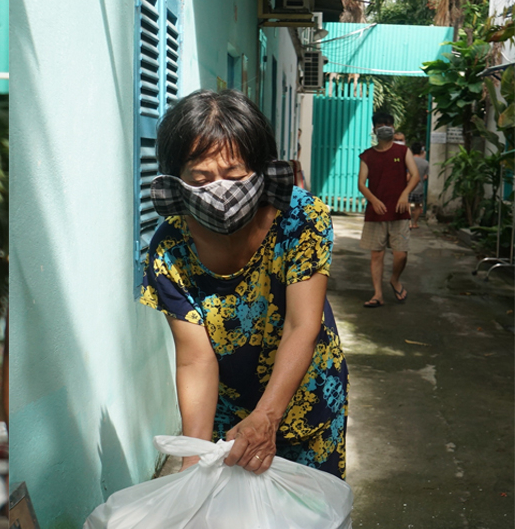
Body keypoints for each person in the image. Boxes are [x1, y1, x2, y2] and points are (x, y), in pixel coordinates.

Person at [141, 89, 350, 480]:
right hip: (229, 418)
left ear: (263, 170)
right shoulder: (169, 249)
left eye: (234, 175)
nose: (219, 191)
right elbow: (195, 359)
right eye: (201, 179)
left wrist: (267, 417)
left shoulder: (300, 218)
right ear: (175, 181)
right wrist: (194, 460)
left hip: (309, 400)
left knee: (310, 527)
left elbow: (301, 326)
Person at [357, 112, 420, 307]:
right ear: (374, 128)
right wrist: (373, 200)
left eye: (388, 124)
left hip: (400, 212)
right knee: (377, 254)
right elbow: (361, 183)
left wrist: (404, 194)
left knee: (401, 254)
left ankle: (394, 279)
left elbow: (415, 175)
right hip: (376, 213)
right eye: (381, 124)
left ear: (393, 126)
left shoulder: (403, 152)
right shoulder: (367, 155)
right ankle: (378, 294)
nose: (385, 127)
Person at [408, 142, 430, 229]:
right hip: (419, 188)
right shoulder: (425, 163)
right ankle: (415, 223)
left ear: (411, 150)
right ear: (421, 151)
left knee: (407, 205)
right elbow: (425, 176)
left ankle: (409, 222)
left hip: (408, 187)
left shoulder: (408, 160)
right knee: (418, 206)